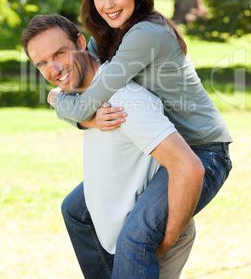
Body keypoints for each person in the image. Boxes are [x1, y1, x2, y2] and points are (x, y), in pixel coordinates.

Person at [48, 0, 233, 276]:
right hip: (160, 151)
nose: (108, 4)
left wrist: (60, 103)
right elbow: (80, 95)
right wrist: (76, 112)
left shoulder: (146, 33)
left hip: (203, 152)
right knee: (77, 210)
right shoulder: (105, 35)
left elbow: (84, 100)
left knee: (136, 237)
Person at [21, 14, 201, 279]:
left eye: (60, 53)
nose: (54, 69)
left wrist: (168, 236)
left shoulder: (124, 102)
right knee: (74, 210)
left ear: (81, 42)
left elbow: (188, 168)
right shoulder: (83, 95)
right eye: (42, 63)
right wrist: (88, 121)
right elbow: (56, 97)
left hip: (143, 237)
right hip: (115, 232)